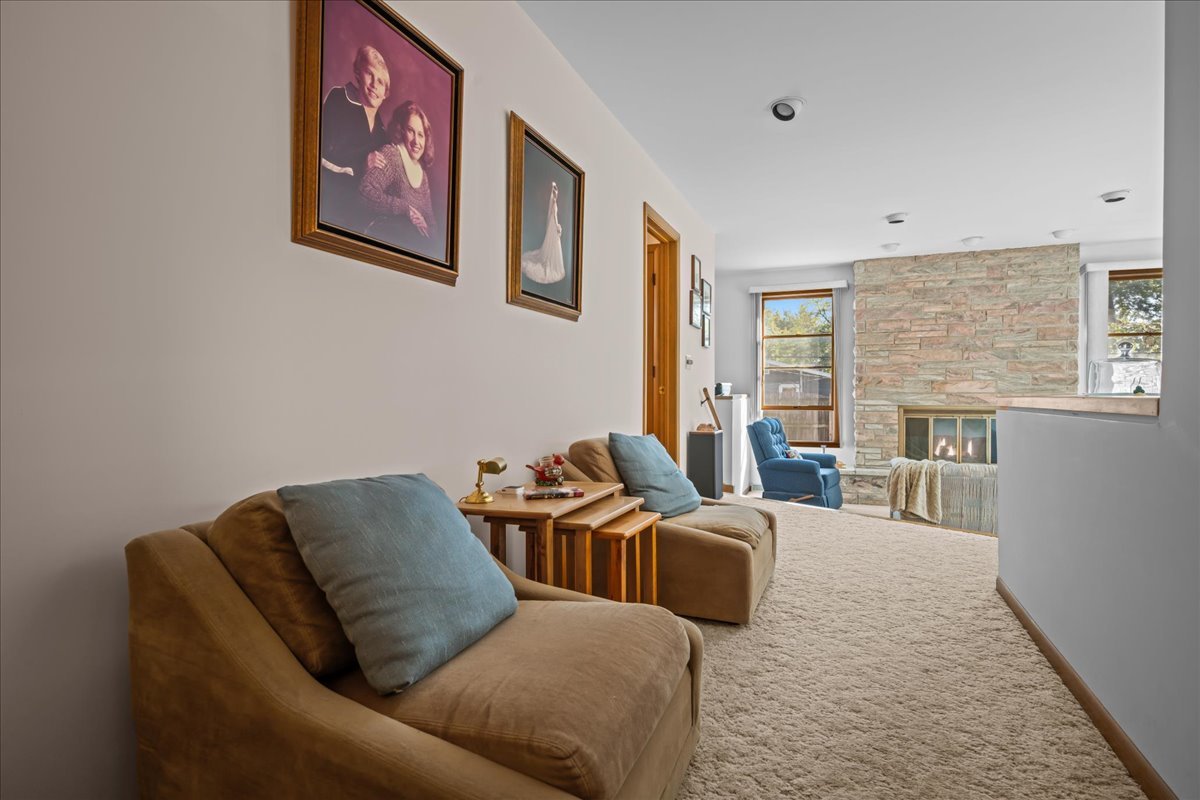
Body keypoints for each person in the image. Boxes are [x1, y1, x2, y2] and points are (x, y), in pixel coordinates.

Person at [319, 45, 391, 232]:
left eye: (381, 82)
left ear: (386, 94)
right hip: (329, 213)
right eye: (370, 74)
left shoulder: (382, 132)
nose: (375, 84)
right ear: (358, 73)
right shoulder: (338, 98)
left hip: (361, 223)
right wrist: (361, 165)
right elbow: (317, 153)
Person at [359, 101, 440, 259]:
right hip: (383, 243)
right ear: (400, 131)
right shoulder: (391, 155)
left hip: (411, 251)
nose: (416, 141)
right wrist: (405, 209)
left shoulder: (423, 176)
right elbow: (364, 192)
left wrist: (429, 231)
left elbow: (431, 221)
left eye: (421, 135)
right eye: (411, 131)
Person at [521, 181, 565, 284]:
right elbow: (554, 216)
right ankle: (551, 262)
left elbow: (554, 214)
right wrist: (557, 227)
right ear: (554, 194)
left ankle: (551, 260)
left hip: (553, 225)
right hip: (553, 225)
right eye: (555, 193)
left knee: (554, 244)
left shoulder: (554, 201)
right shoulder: (554, 203)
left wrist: (554, 187)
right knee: (553, 244)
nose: (556, 194)